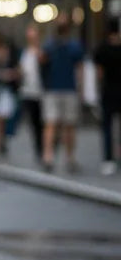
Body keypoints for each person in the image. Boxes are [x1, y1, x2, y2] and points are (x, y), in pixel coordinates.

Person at [41, 18, 85, 173]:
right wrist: (81, 89)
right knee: (65, 125)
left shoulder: (52, 45)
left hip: (56, 89)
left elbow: (41, 62)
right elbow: (80, 69)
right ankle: (64, 157)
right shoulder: (65, 45)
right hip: (64, 88)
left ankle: (52, 156)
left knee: (55, 124)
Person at [94, 18, 121, 176]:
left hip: (108, 91)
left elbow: (99, 73)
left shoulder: (102, 49)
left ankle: (109, 159)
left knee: (107, 127)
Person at [17, 24, 44, 162]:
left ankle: (45, 148)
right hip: (28, 91)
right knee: (33, 122)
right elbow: (21, 70)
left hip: (42, 91)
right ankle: (39, 149)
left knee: (43, 122)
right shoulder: (25, 52)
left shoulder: (42, 51)